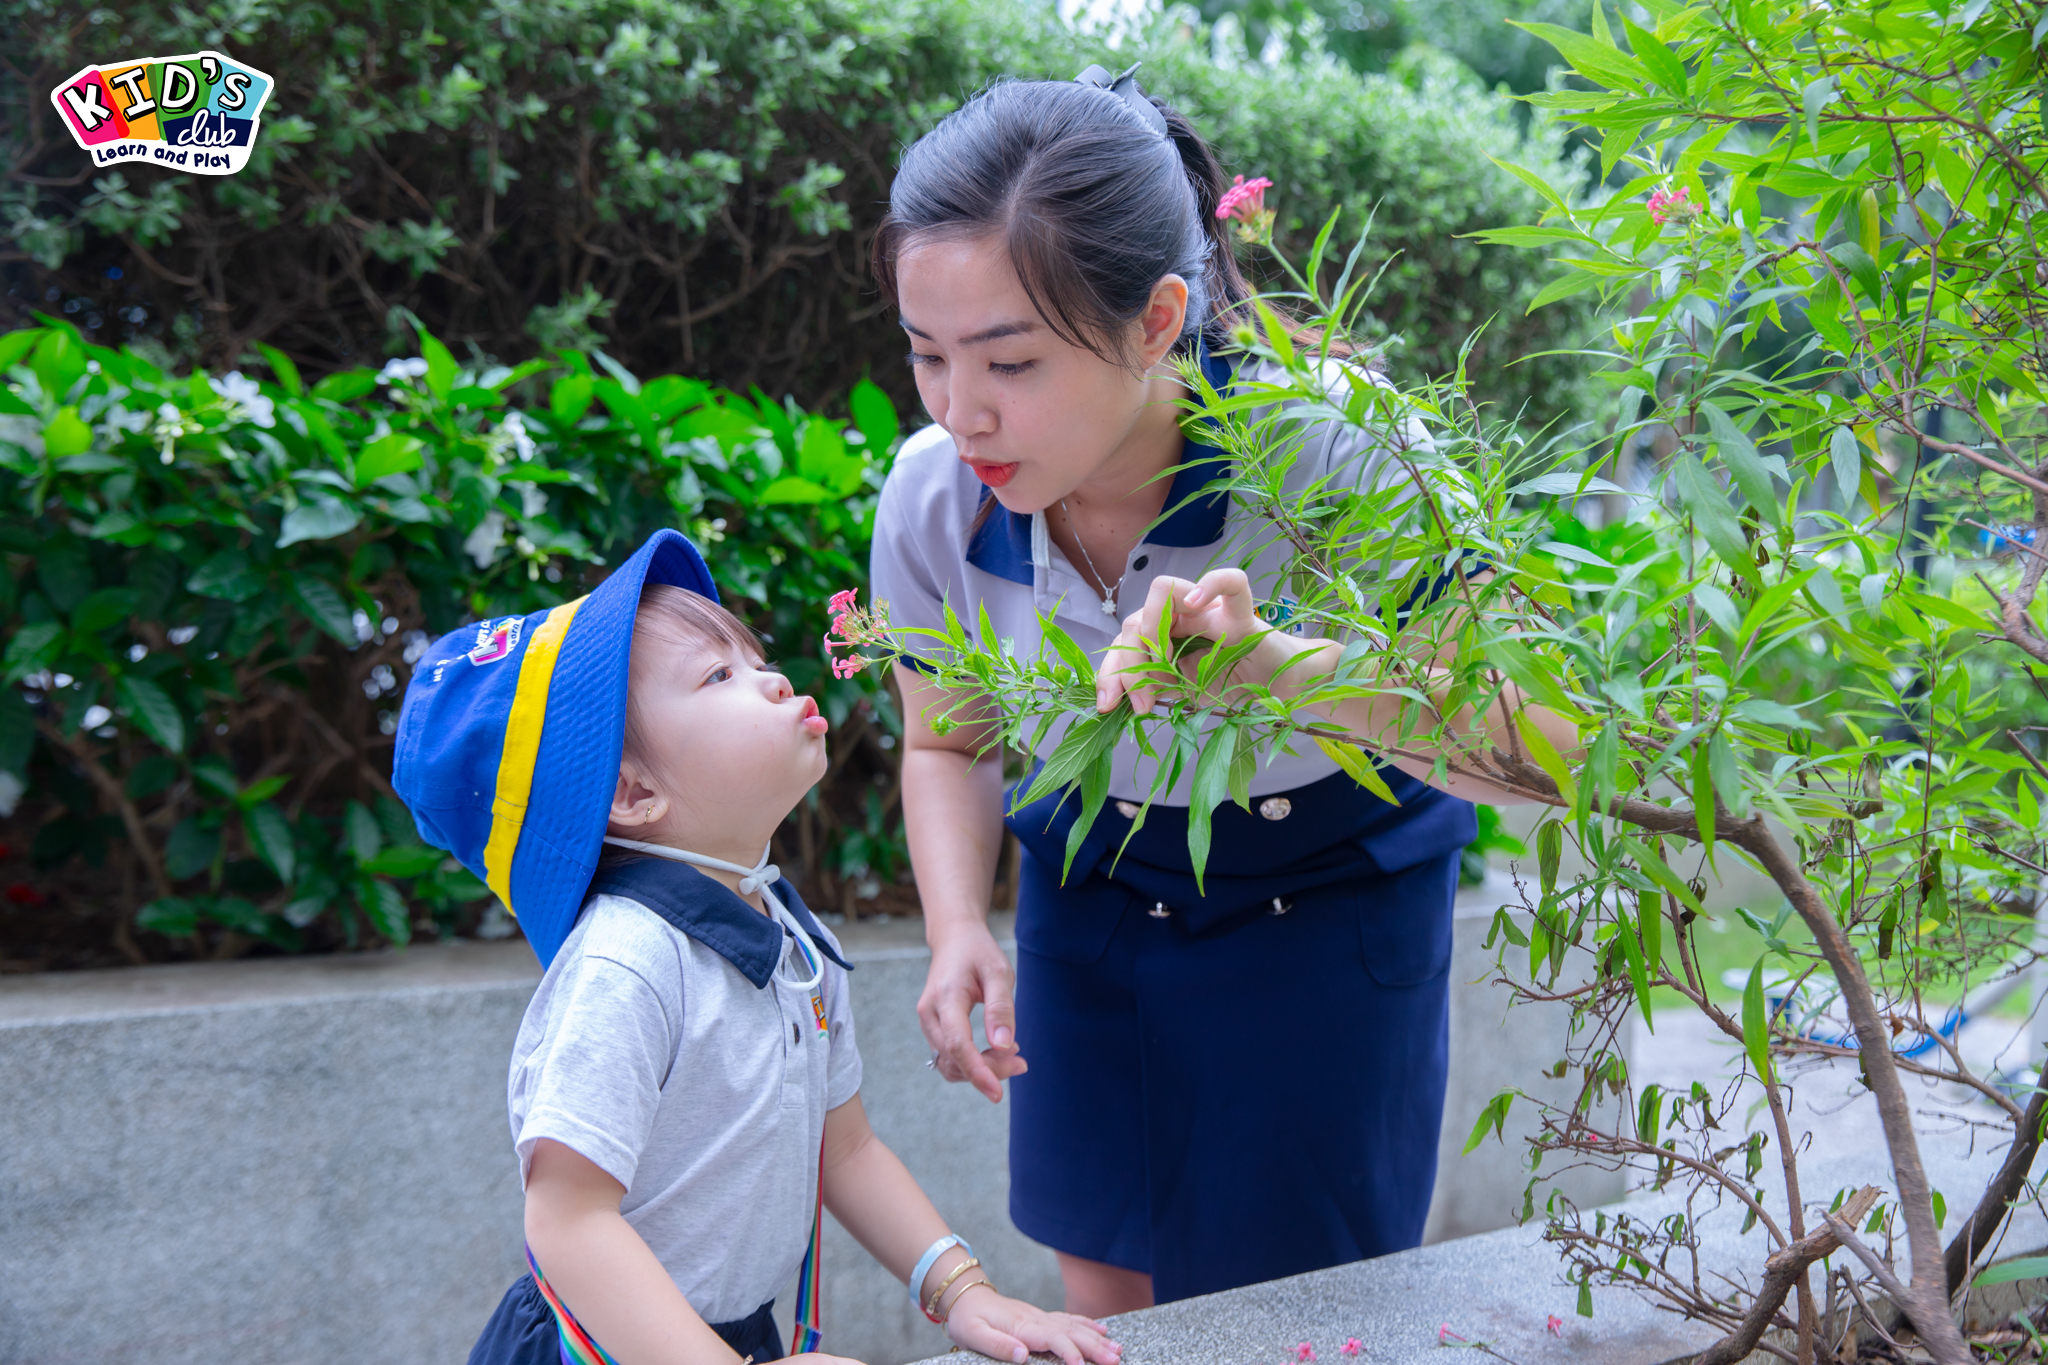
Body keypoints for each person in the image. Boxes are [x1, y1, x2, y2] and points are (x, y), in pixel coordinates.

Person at [866, 68, 1570, 1315]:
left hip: (1327, 902)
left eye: (1009, 360)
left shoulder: (1339, 450)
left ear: (1156, 319)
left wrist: (1283, 676)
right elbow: (944, 739)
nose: (960, 409)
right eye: (927, 355)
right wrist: (957, 926)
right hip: (1092, 892)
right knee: (1106, 1309)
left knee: (1304, 1318)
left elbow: (1543, 748)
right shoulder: (935, 490)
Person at [392, 529, 1120, 1365]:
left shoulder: (790, 939)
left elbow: (843, 1148)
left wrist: (967, 1292)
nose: (774, 679)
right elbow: (567, 1219)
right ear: (633, 791)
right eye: (718, 676)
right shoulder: (626, 964)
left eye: (753, 657)